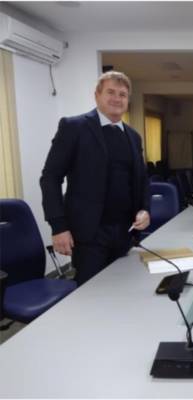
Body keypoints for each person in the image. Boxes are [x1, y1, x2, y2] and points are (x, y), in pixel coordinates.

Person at [40, 71, 151, 286]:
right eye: (111, 92)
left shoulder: (133, 137)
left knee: (122, 289)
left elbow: (142, 180)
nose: (117, 98)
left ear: (128, 100)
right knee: (90, 294)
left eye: (122, 94)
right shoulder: (74, 127)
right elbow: (50, 178)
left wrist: (145, 209)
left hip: (125, 232)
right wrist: (58, 226)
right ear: (97, 95)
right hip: (89, 234)